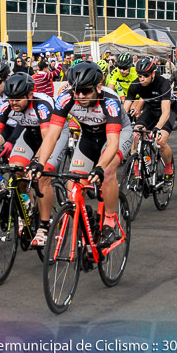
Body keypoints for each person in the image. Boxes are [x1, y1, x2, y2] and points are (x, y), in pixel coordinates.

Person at [0, 73, 68, 248]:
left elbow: (48, 138)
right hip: (30, 134)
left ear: (30, 95)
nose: (13, 103)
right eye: (10, 99)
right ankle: (27, 207)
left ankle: (44, 227)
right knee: (16, 169)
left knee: (42, 175)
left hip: (54, 135)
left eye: (18, 99)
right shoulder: (7, 106)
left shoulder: (42, 106)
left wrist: (37, 161)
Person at [44, 61, 130, 247]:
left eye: (86, 91)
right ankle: (85, 222)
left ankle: (109, 220)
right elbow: (52, 135)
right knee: (74, 181)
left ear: (99, 86)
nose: (81, 96)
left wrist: (99, 167)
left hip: (117, 134)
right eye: (77, 91)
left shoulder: (110, 100)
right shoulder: (66, 98)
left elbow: (113, 142)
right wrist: (39, 163)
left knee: (107, 172)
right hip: (89, 136)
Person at [124, 57, 176, 180]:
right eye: (139, 75)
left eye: (145, 75)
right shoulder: (136, 84)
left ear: (153, 73)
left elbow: (166, 112)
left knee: (160, 140)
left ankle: (168, 167)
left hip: (167, 110)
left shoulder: (163, 83)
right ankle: (137, 171)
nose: (142, 78)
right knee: (136, 135)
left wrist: (158, 127)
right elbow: (125, 108)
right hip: (151, 109)